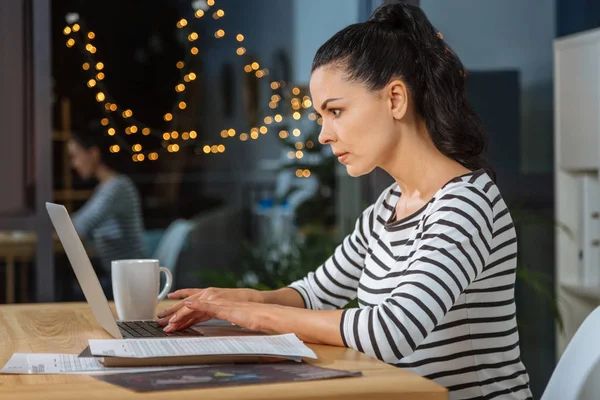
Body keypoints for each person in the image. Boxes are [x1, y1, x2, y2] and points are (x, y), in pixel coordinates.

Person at [157, 4, 532, 399]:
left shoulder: (466, 204)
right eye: (321, 115)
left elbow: (392, 331)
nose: (323, 134)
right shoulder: (387, 209)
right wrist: (232, 300)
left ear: (395, 99)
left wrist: (254, 315)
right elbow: (314, 293)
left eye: (335, 111)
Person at [67, 123, 147, 295]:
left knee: (70, 288)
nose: (74, 164)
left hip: (129, 280)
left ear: (93, 154)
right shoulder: (105, 188)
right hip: (116, 275)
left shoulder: (117, 187)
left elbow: (80, 226)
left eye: (75, 156)